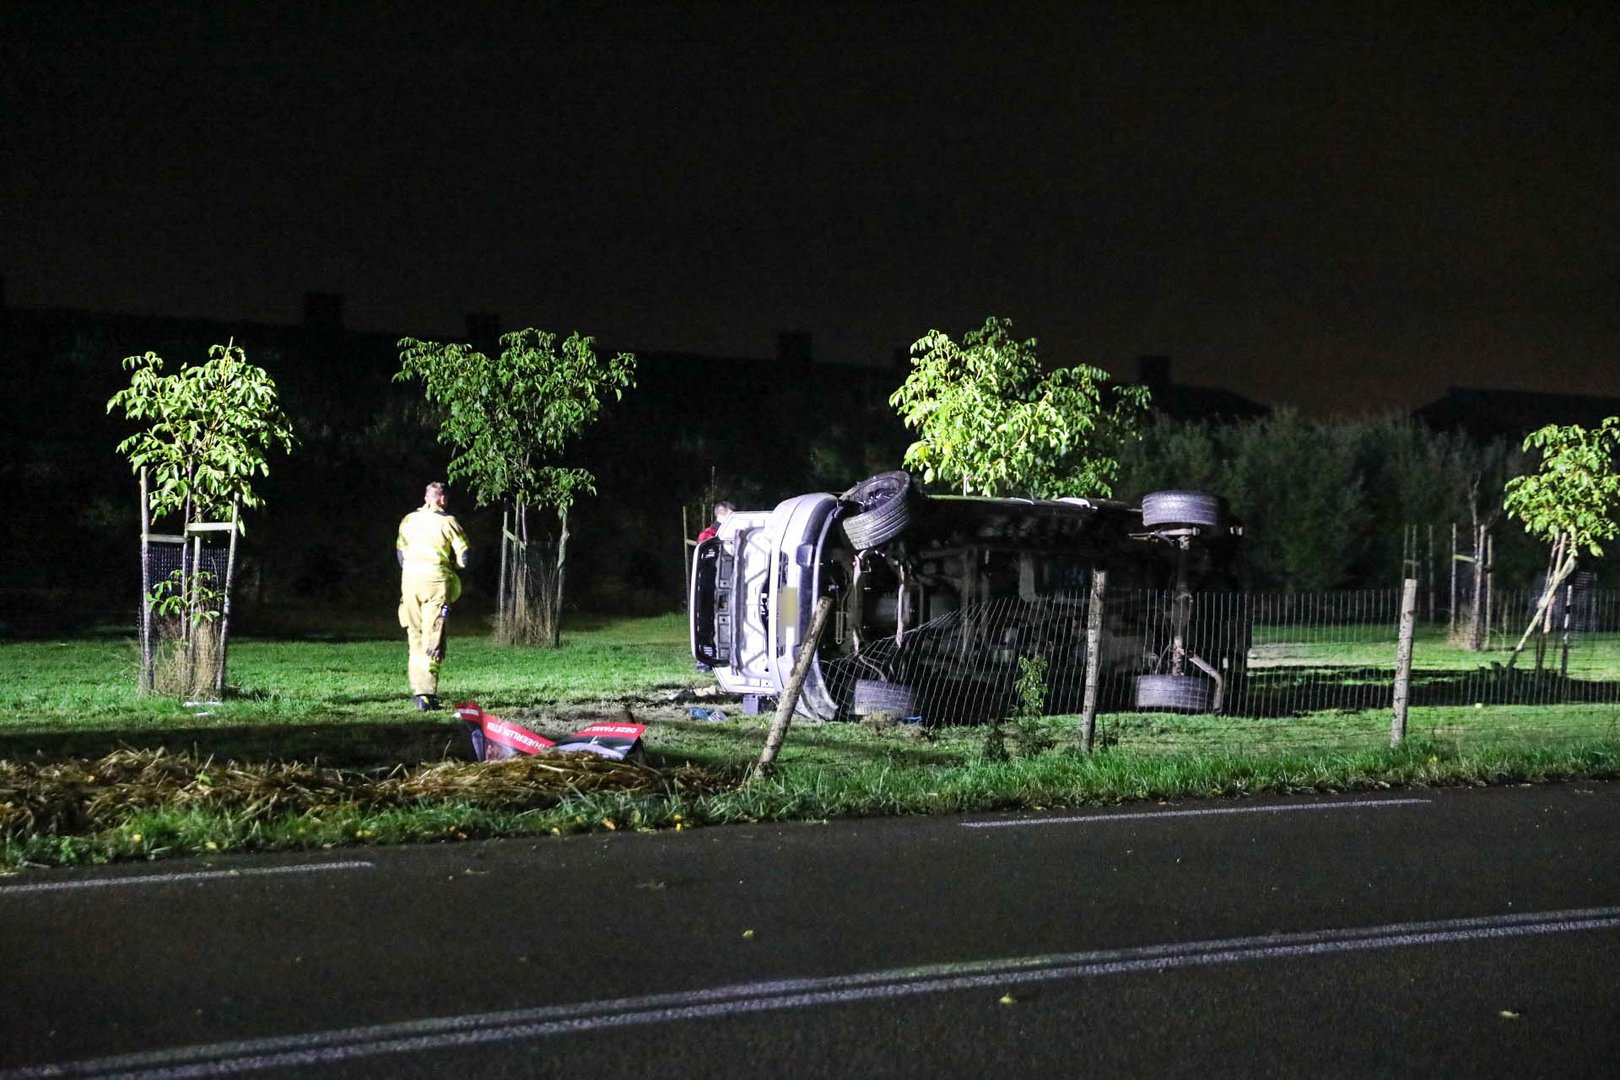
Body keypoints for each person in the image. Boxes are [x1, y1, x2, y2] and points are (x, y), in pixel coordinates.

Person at [396, 481, 470, 710]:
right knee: (434, 637)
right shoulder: (448, 522)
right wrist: (454, 568)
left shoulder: (409, 520)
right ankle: (427, 694)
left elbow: (400, 552)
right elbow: (464, 556)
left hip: (409, 581)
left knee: (414, 636)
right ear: (443, 499)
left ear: (426, 497)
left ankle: (418, 691)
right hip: (436, 583)